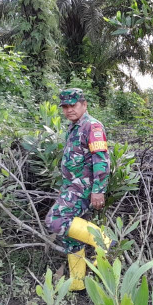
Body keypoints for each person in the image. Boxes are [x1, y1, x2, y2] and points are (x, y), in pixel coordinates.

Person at [45, 88, 111, 291]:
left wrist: (98, 190)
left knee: (55, 220)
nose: (68, 110)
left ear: (84, 105)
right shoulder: (74, 127)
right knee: (71, 238)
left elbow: (102, 160)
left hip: (84, 188)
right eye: (65, 106)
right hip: (72, 187)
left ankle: (105, 241)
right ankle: (77, 284)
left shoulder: (93, 126)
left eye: (73, 105)